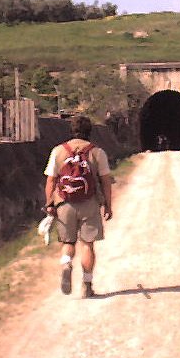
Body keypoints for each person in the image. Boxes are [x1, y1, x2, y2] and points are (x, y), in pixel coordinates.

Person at [44, 115, 113, 298]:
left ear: (71, 130)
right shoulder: (97, 152)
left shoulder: (58, 151)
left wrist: (50, 204)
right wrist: (108, 205)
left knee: (68, 242)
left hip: (64, 202)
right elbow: (106, 182)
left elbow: (50, 181)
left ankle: (66, 263)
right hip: (89, 202)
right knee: (87, 245)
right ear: (90, 131)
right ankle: (87, 286)